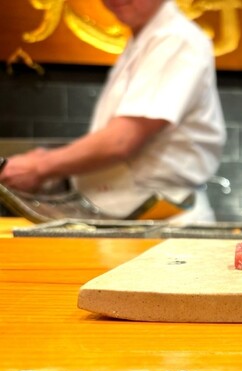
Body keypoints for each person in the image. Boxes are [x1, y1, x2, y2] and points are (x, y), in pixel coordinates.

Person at [0, 0, 226, 223]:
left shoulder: (175, 38)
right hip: (132, 217)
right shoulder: (144, 40)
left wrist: (40, 167)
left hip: (161, 219)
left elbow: (121, 141)